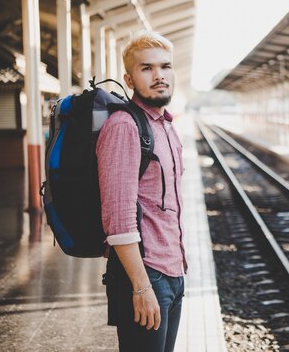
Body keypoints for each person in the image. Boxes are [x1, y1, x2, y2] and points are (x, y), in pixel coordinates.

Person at [97, 30, 186, 352]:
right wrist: (140, 287)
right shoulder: (124, 126)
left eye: (165, 66)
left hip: (173, 271)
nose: (159, 75)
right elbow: (118, 218)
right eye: (147, 68)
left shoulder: (166, 126)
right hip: (146, 276)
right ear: (129, 78)